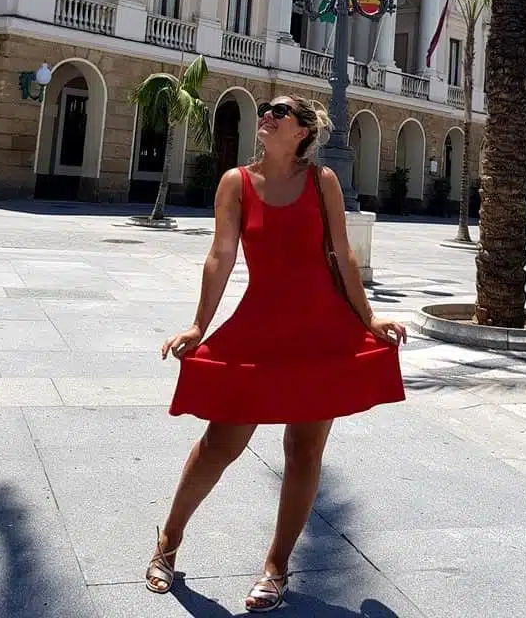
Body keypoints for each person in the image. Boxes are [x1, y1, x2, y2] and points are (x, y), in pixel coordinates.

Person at [146, 95, 406, 609]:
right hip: (260, 326)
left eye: (279, 111)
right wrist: (200, 324)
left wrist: (368, 317)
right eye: (264, 108)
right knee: (221, 443)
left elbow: (344, 255)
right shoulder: (236, 183)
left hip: (321, 329)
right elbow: (220, 255)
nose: (266, 114)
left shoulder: (322, 182)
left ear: (304, 131)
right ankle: (168, 544)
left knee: (305, 450)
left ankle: (276, 568)